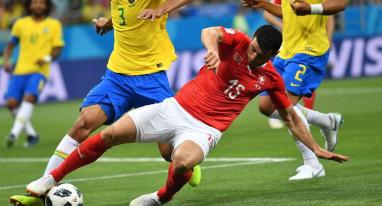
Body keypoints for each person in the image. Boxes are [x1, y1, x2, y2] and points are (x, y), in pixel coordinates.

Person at [25, 25, 349, 206]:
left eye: (260, 55)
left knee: (182, 161)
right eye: (252, 50)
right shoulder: (236, 42)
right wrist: (210, 48)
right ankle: (51, 178)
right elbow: (210, 31)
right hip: (174, 109)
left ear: (272, 56)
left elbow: (290, 116)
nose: (252, 56)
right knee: (109, 134)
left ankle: (160, 198)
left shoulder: (271, 79)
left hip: (205, 130)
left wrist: (315, 148)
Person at [9, 0, 198, 206]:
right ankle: (44, 185)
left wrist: (161, 9)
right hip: (117, 76)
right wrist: (107, 23)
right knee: (84, 123)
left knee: (169, 151)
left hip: (151, 77)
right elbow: (126, 15)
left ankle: (187, 165)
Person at [241, 0, 347, 180]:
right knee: (266, 107)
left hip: (309, 50)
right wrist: (264, 4)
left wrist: (313, 8)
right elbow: (288, 12)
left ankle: (313, 164)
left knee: (284, 106)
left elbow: (340, 1)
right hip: (287, 49)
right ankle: (326, 121)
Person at [263, 0, 336, 130]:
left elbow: (329, 15)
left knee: (301, 88)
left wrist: (329, 38)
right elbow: (267, 14)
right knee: (280, 88)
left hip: (310, 46)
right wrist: (281, 25)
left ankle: (306, 120)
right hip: (288, 45)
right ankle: (316, 119)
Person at [3, 0, 64, 148]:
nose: (38, 5)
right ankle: (31, 135)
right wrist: (6, 61)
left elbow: (57, 48)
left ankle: (14, 134)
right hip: (20, 70)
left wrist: (47, 58)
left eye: (41, 2)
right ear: (29, 5)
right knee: (11, 103)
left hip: (39, 71)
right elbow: (10, 45)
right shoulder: (20, 24)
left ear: (47, 5)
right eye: (35, 2)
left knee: (29, 98)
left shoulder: (54, 24)